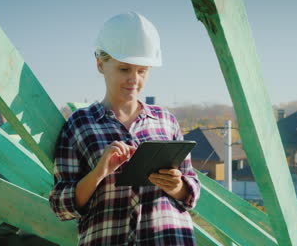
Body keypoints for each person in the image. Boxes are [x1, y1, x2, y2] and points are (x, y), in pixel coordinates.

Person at [48, 12, 201, 246]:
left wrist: (178, 185)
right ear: (101, 64)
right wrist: (99, 172)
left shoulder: (166, 120)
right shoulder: (79, 125)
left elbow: (191, 191)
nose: (134, 79)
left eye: (142, 71)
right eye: (124, 69)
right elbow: (61, 206)